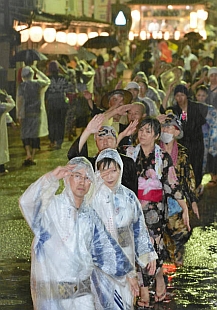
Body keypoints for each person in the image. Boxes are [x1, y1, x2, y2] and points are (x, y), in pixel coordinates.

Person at [19, 157, 136, 310]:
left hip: (82, 295)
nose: (82, 181)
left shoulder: (89, 215)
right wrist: (51, 178)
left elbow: (106, 248)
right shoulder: (50, 208)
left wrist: (129, 273)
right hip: (52, 297)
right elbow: (26, 203)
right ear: (67, 177)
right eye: (77, 176)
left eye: (87, 178)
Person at [126, 116, 190, 307]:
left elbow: (173, 184)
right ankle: (155, 278)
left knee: (151, 246)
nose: (143, 134)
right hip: (133, 208)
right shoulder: (130, 153)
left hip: (155, 211)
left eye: (148, 131)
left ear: (156, 135)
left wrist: (185, 208)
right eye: (141, 130)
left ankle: (148, 288)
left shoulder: (162, 157)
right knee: (137, 247)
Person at [92, 148, 157, 309]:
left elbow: (138, 227)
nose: (109, 176)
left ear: (120, 169)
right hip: (99, 264)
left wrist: (147, 253)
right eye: (104, 171)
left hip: (126, 257)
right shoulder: (91, 198)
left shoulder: (129, 197)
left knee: (125, 300)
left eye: (113, 170)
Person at [159, 112, 199, 266]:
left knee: (182, 231)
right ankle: (166, 261)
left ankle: (175, 258)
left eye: (169, 128)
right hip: (157, 198)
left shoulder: (182, 153)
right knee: (160, 231)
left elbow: (189, 177)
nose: (166, 131)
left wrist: (193, 201)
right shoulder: (153, 150)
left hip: (177, 199)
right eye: (163, 127)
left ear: (177, 131)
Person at [67, 114, 138, 194]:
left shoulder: (128, 163)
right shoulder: (92, 164)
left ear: (116, 141)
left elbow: (134, 192)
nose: (105, 142)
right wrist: (88, 131)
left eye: (109, 138)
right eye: (100, 139)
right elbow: (74, 157)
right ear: (96, 142)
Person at [160, 84, 208, 188]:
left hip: (196, 143)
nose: (179, 98)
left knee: (196, 167)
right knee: (183, 168)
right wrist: (168, 93)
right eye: (177, 95)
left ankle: (196, 189)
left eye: (182, 95)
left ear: (186, 95)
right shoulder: (175, 109)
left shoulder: (196, 107)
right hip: (182, 143)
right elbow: (163, 111)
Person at [16, 66, 50, 165]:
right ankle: (33, 156)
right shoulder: (38, 84)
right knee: (35, 135)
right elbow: (47, 81)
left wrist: (19, 115)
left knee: (25, 135)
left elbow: (20, 101)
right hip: (37, 113)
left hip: (26, 114)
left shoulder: (22, 86)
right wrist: (38, 71)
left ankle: (28, 154)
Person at [46, 60, 70, 150]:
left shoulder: (47, 78)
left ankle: (52, 141)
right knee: (60, 123)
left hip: (51, 103)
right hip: (61, 103)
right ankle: (59, 142)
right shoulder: (64, 78)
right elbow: (69, 88)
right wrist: (63, 69)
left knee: (52, 123)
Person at [0, 90, 15, 175]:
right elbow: (12, 104)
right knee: (1, 149)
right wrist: (7, 96)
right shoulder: (2, 107)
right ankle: (1, 169)